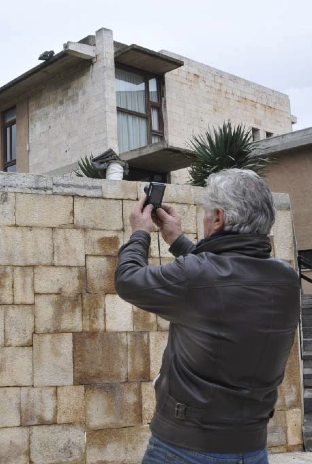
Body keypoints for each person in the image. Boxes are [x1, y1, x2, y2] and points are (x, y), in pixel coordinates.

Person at [115, 169, 300, 464]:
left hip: (185, 448)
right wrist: (176, 240)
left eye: (206, 214)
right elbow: (220, 277)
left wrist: (139, 233)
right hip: (251, 448)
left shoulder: (198, 277)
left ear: (218, 219)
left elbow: (128, 280)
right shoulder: (286, 280)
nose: (204, 220)